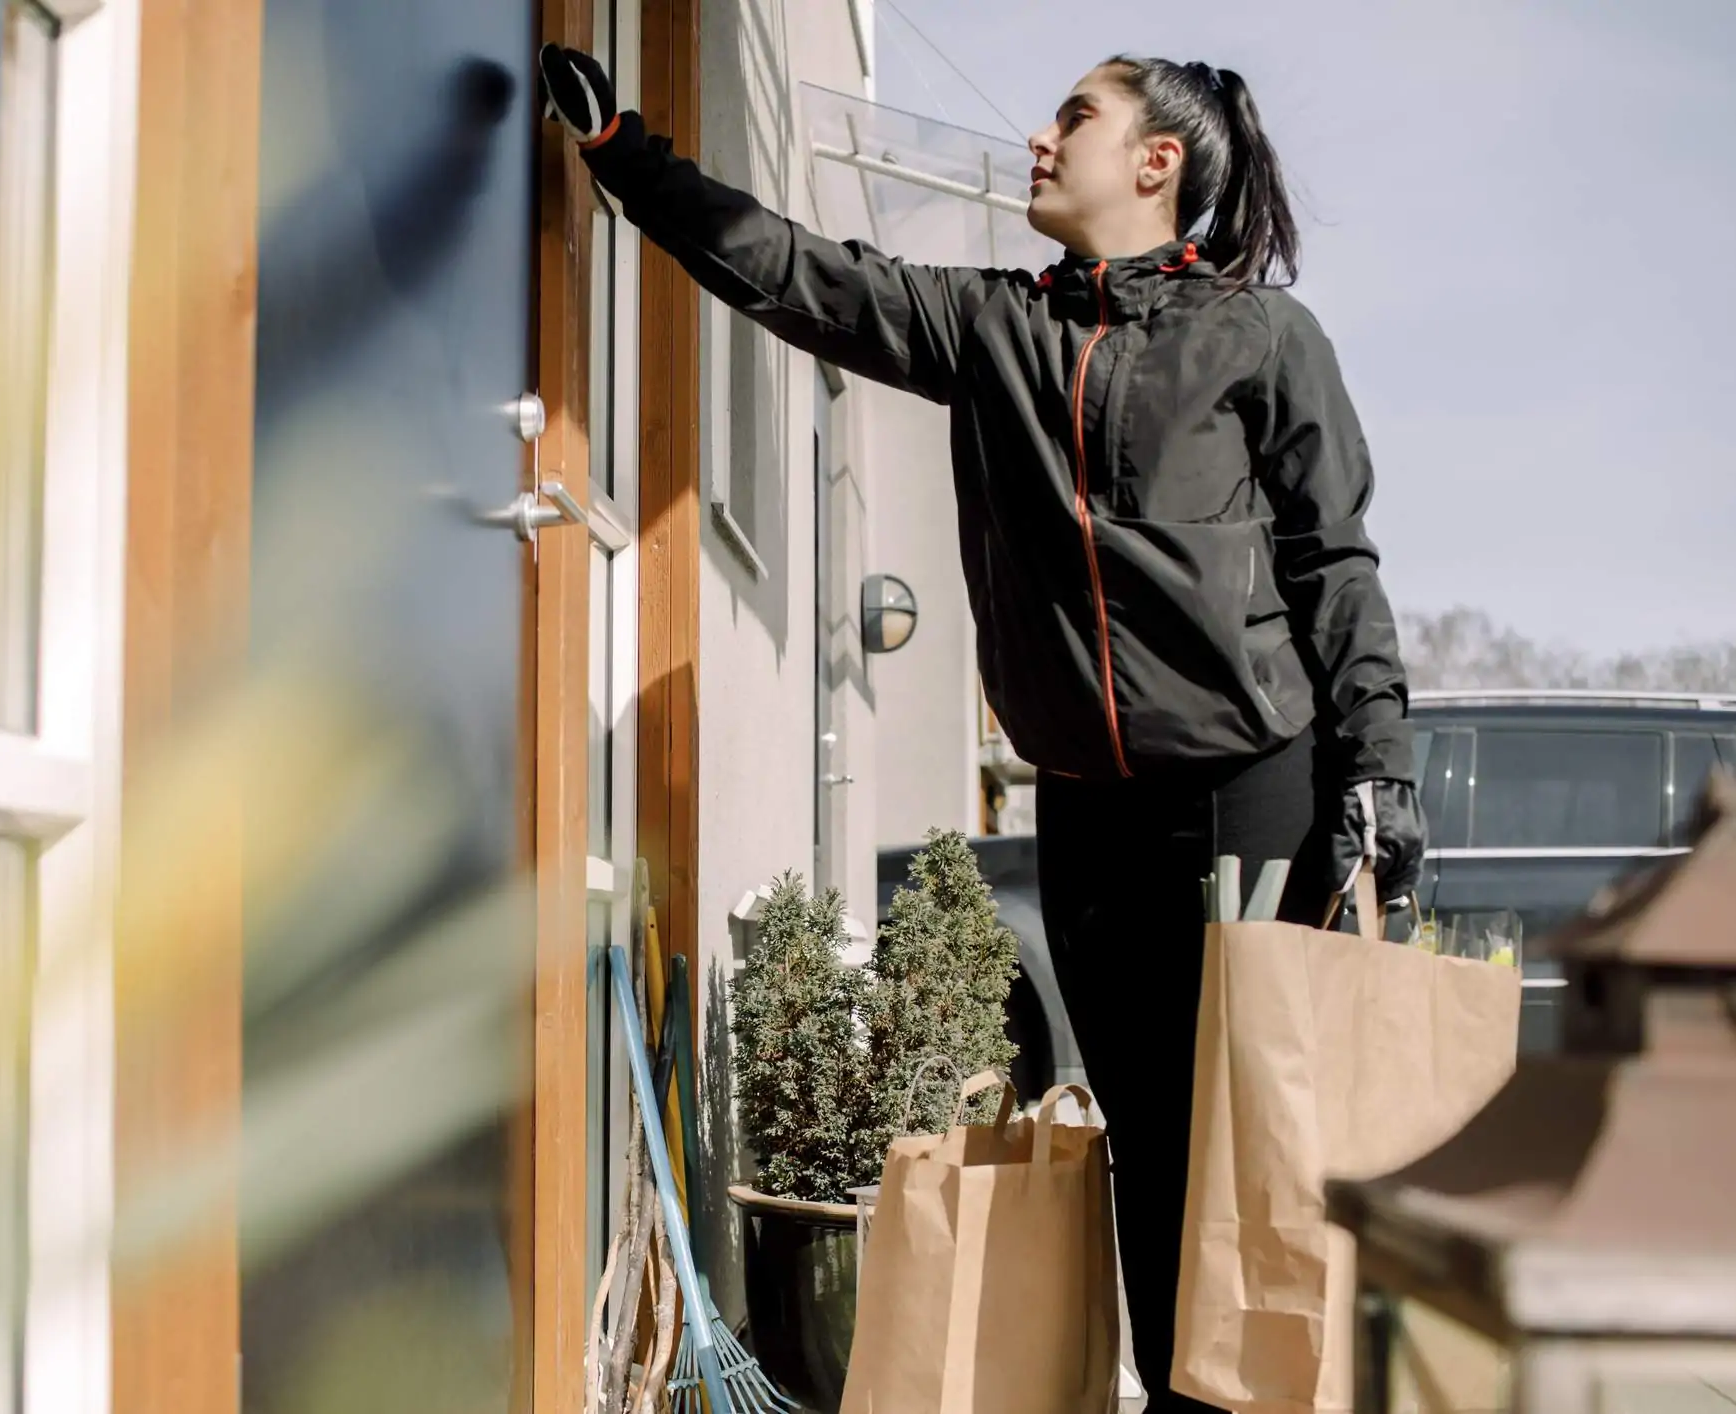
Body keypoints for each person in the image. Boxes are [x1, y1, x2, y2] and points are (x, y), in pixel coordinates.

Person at [540, 46, 1426, 1412]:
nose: (1039, 136)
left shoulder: (1259, 339)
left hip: (1257, 789)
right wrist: (624, 157)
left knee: (1260, 1147)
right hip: (1090, 805)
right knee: (1151, 1136)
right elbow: (796, 275)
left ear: (1157, 161)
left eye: (1076, 116)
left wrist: (1380, 764)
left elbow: (1333, 565)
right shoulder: (991, 326)